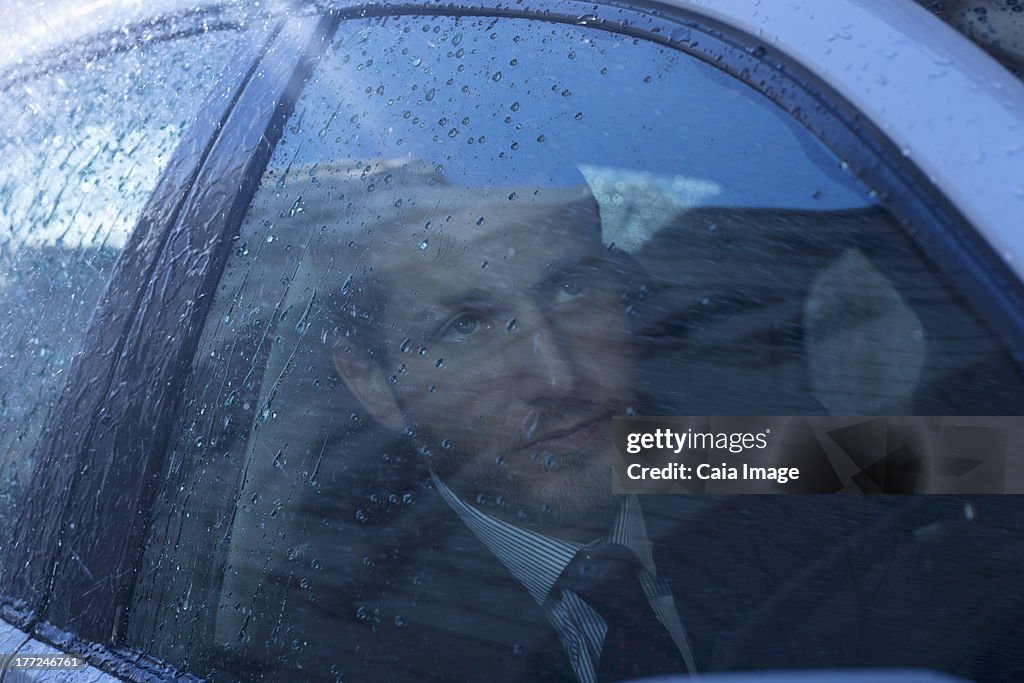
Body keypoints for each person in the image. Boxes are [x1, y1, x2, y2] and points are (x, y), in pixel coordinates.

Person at [214, 160, 1024, 682]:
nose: (560, 375)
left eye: (573, 289)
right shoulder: (321, 629)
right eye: (465, 325)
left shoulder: (722, 457)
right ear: (372, 382)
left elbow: (982, 462)